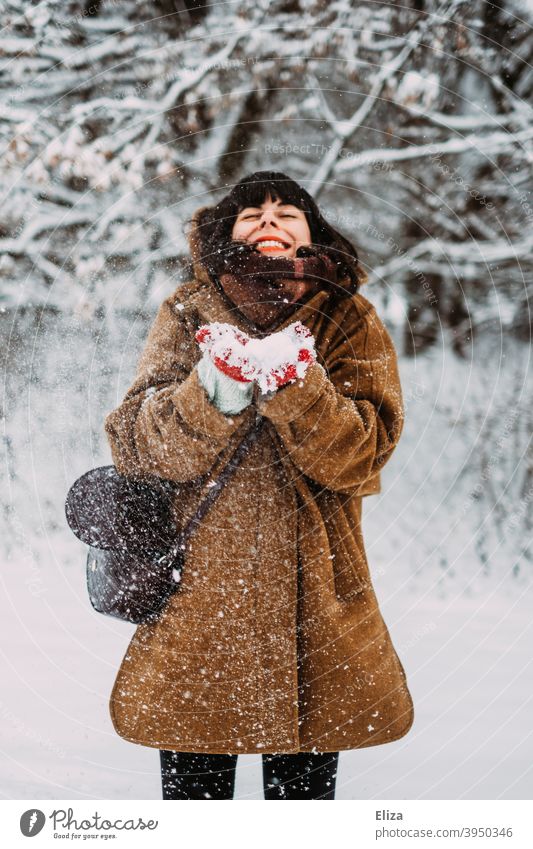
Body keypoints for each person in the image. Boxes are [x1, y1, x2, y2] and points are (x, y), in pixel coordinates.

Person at [104, 171, 415, 800]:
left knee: (300, 819)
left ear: (313, 233)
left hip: (317, 597)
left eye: (287, 211)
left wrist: (301, 387)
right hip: (199, 600)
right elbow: (137, 444)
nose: (268, 220)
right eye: (251, 212)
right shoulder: (188, 310)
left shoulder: (349, 318)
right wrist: (212, 392)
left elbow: (364, 453)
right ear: (225, 231)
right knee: (196, 816)